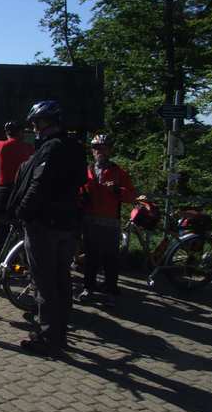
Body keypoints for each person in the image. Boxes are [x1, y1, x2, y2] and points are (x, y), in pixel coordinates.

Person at [7, 101, 86, 356]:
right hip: (68, 224)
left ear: (47, 122)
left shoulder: (50, 149)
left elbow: (38, 185)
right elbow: (81, 181)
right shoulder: (76, 148)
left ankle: (47, 338)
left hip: (44, 224)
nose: (34, 128)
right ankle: (59, 333)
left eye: (36, 123)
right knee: (62, 280)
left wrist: (21, 213)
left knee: (44, 283)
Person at [77, 134, 136, 305]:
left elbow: (132, 196)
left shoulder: (119, 172)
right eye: (96, 148)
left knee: (110, 259)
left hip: (110, 222)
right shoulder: (87, 170)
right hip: (90, 221)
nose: (99, 151)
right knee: (91, 258)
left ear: (110, 150)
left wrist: (118, 190)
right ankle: (88, 288)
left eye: (103, 147)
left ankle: (111, 291)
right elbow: (79, 191)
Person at [0, 120, 34, 252]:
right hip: (22, 189)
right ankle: (19, 253)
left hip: (4, 189)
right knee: (19, 223)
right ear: (20, 132)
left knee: (2, 224)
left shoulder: (0, 145)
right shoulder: (28, 148)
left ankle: (1, 254)